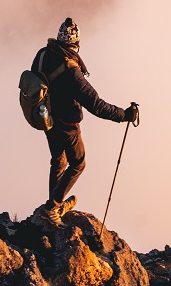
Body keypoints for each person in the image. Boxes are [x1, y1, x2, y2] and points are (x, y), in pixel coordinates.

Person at [32, 17, 139, 226]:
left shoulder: (43, 54)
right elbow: (97, 105)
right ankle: (52, 207)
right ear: (76, 43)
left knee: (58, 161)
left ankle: (52, 204)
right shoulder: (72, 72)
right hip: (67, 126)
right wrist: (125, 115)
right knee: (78, 163)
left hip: (46, 118)